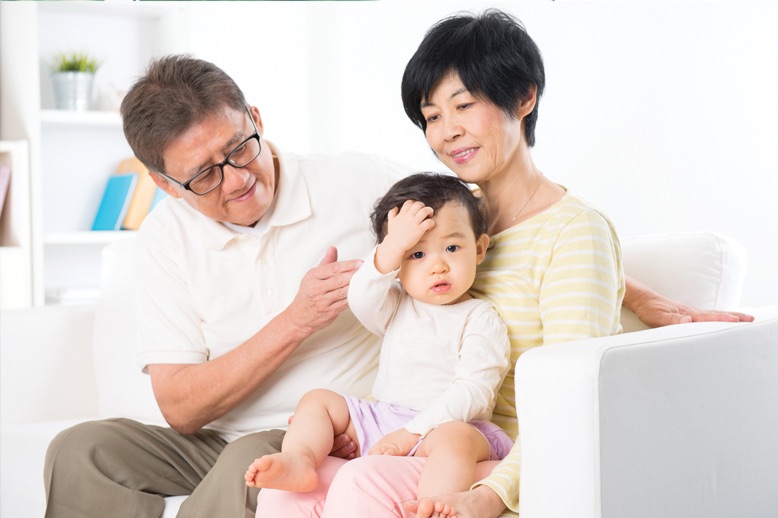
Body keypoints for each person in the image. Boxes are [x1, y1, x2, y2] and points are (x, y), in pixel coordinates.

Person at [255, 8, 753, 518]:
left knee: (362, 484)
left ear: (523, 97)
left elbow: (569, 402)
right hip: (418, 435)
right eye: (432, 117)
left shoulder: (576, 232)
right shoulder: (449, 221)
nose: (448, 132)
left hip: (497, 458)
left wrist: (488, 495)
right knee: (286, 490)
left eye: (463, 105)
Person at [42, 55, 409, 518]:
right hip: (212, 443)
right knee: (81, 450)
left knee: (247, 460)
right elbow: (180, 406)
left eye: (240, 148)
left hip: (323, 435)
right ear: (165, 184)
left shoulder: (360, 181)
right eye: (204, 175)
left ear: (255, 118)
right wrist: (296, 321)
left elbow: (467, 220)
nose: (237, 180)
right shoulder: (165, 235)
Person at [245, 173, 512, 499]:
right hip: (385, 420)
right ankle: (300, 459)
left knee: (455, 438)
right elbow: (361, 294)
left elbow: (474, 391)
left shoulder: (480, 318)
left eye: (452, 247)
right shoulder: (396, 304)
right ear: (397, 265)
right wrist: (394, 245)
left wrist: (412, 432)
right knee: (317, 400)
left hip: (445, 427)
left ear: (480, 248)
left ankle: (432, 503)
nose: (438, 266)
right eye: (417, 254)